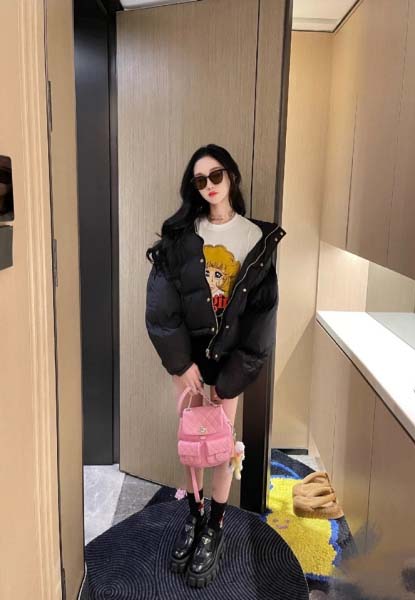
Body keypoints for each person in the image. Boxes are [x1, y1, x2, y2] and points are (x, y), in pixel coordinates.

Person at [145, 143, 286, 588]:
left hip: (229, 360)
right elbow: (162, 306)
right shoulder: (182, 235)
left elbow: (262, 316)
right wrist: (180, 364)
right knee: (192, 441)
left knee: (223, 447)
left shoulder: (255, 239)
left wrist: (230, 380)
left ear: (232, 177)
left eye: (216, 175)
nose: (209, 185)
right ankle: (195, 514)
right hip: (188, 359)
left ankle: (216, 525)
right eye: (200, 180)